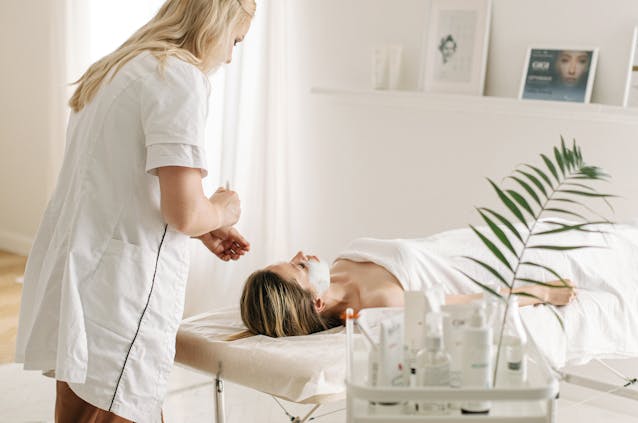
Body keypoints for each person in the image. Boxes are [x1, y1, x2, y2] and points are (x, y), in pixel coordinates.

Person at [14, 0, 256, 422]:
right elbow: (183, 212)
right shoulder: (179, 76)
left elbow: (119, 186)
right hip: (122, 292)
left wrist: (204, 228)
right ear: (216, 23)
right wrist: (221, 210)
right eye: (236, 40)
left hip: (82, 275)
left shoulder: (116, 69)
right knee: (124, 408)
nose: (232, 56)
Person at [235, 227, 577, 338]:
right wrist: (542, 291)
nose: (301, 254)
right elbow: (473, 303)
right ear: (317, 303)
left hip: (479, 239)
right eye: (299, 267)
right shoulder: (383, 304)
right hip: (503, 265)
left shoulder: (339, 264)